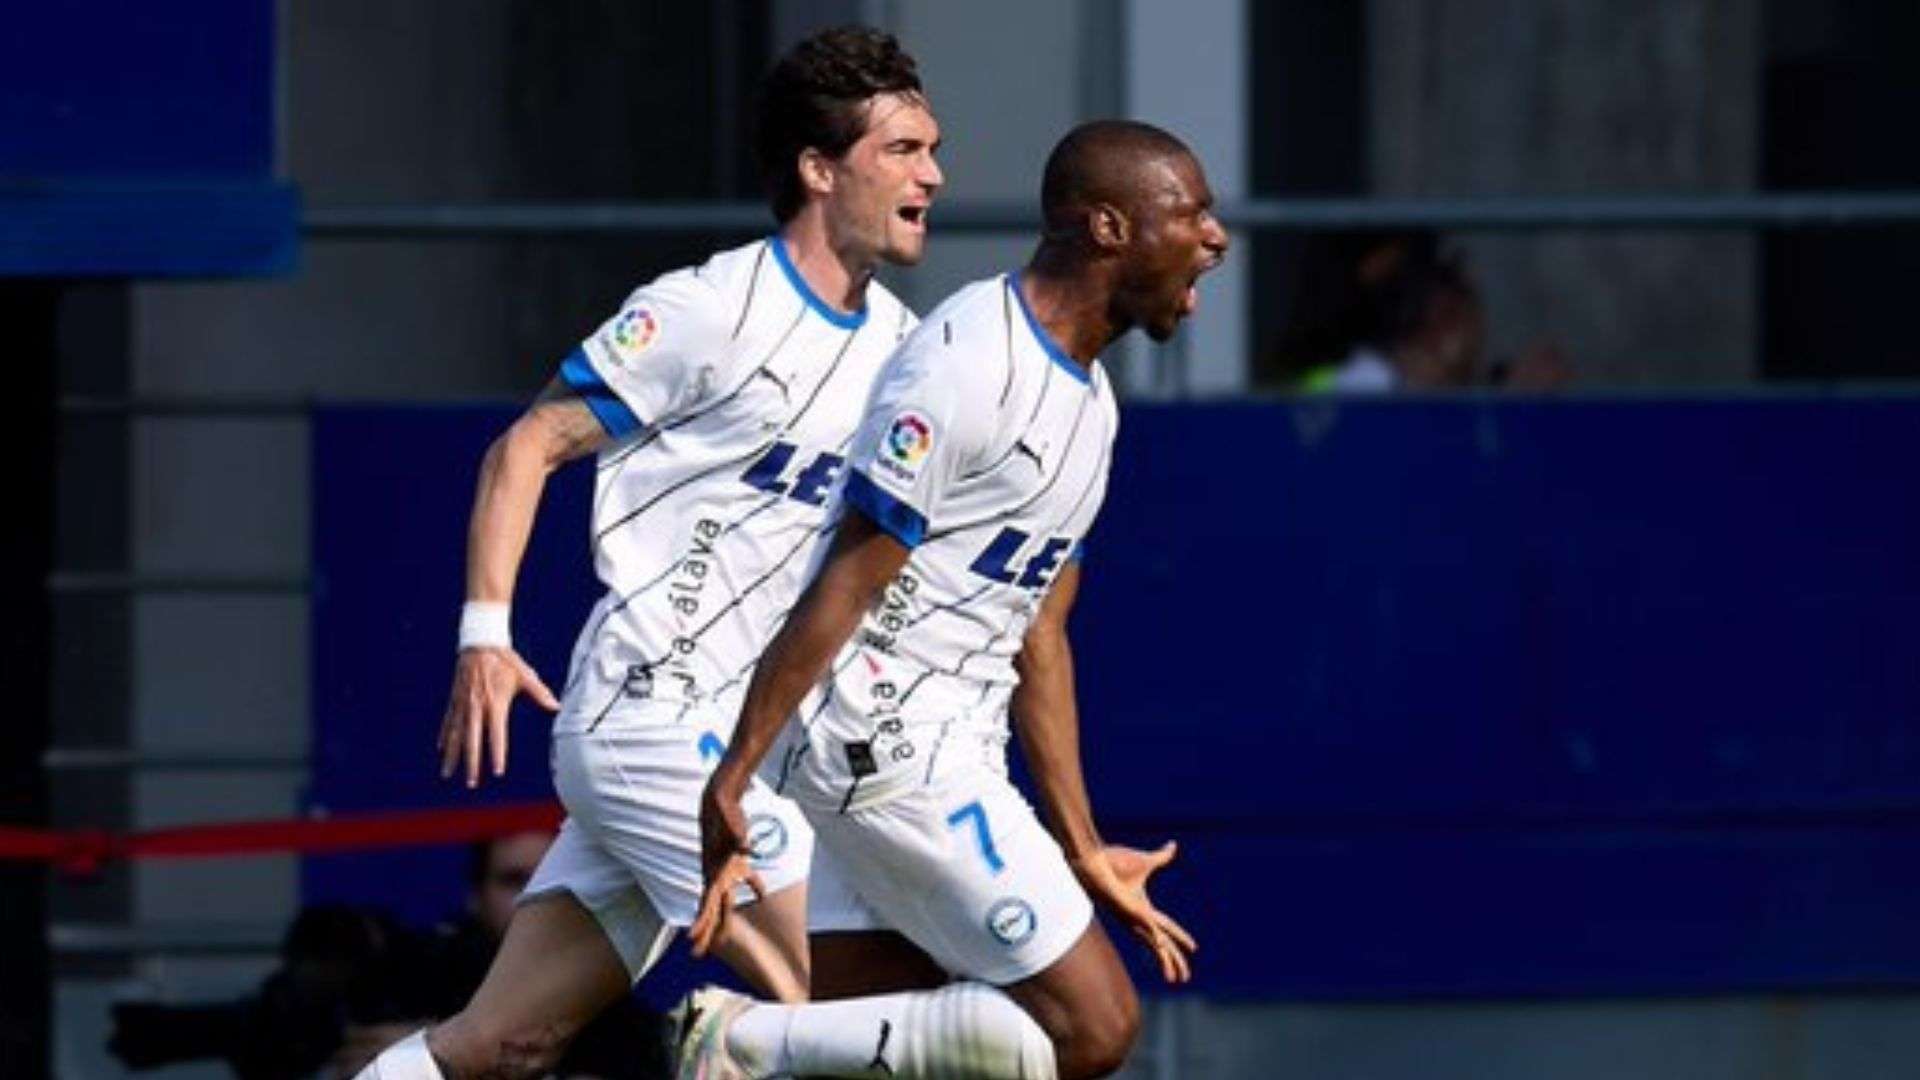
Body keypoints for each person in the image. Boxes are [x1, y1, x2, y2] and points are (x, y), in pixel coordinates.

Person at [354, 25, 944, 1080]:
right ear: (819, 168)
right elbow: (525, 446)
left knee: (501, 1045)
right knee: (855, 1014)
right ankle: (730, 1046)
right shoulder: (709, 309)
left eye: (932, 149)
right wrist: (484, 635)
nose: (933, 174)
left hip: (743, 748)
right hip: (653, 725)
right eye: (902, 150)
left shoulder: (905, 351)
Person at [679, 119, 1228, 1080]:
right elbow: (842, 580)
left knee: (892, 1051)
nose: (1216, 238)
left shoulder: (1091, 404)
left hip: (949, 747)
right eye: (1193, 214)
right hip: (889, 748)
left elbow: (1041, 634)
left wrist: (1085, 848)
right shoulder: (965, 363)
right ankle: (739, 1042)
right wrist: (734, 773)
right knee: (1091, 1029)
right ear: (1108, 227)